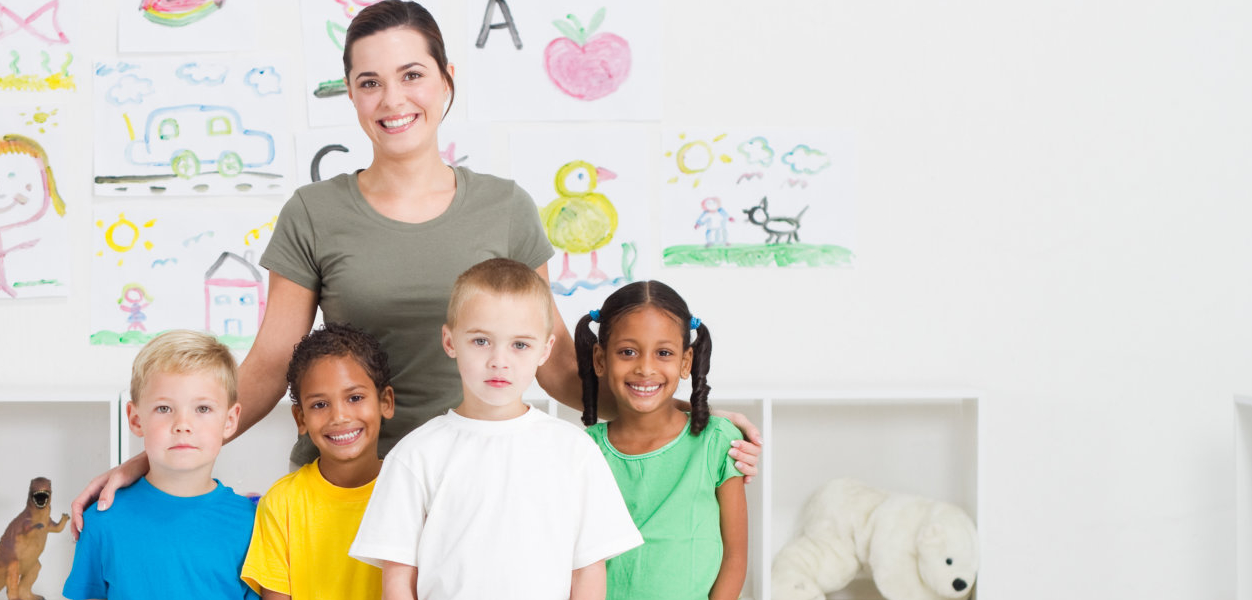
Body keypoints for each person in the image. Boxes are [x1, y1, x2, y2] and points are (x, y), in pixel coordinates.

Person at [72, 0, 761, 527]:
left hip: (482, 485)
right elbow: (267, 365)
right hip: (350, 484)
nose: (393, 100)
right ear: (351, 94)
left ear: (446, 80)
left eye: (411, 75)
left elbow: (554, 367)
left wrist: (680, 412)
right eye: (370, 82)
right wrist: (158, 458)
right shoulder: (313, 212)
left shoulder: (507, 208)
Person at [349, 259, 640, 600]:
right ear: (449, 341)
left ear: (545, 349)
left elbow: (589, 571)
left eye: (519, 345)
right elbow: (398, 580)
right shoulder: (415, 454)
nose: (499, 361)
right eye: (481, 341)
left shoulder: (574, 450)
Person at [575, 281, 748, 599]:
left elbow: (735, 557)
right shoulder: (583, 451)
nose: (645, 368)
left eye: (663, 353)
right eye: (628, 352)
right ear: (600, 359)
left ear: (686, 362)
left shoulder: (718, 442)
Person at [62, 331, 258, 600]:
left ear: (230, 420)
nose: (183, 425)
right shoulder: (102, 521)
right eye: (164, 408)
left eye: (202, 408)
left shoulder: (253, 523)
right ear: (135, 419)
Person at [240, 323, 397, 600]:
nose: (339, 417)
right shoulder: (282, 502)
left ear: (385, 401)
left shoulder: (410, 494)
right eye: (320, 405)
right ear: (301, 418)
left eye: (355, 398)